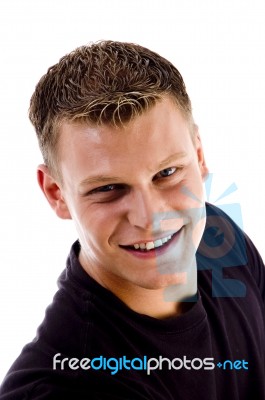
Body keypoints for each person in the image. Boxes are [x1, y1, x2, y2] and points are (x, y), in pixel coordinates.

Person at [0, 41, 264, 400]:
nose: (152, 217)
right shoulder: (61, 389)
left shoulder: (219, 236)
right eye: (108, 188)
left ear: (199, 157)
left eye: (167, 172)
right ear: (56, 193)